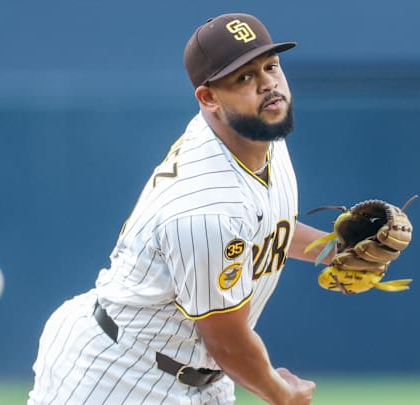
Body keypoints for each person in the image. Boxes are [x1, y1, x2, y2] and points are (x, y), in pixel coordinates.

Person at [28, 12, 334, 405]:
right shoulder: (205, 206)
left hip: (196, 373)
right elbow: (228, 342)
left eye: (270, 66)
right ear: (208, 99)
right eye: (244, 77)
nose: (268, 84)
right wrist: (282, 394)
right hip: (120, 375)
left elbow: (262, 225)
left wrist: (334, 250)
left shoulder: (259, 133)